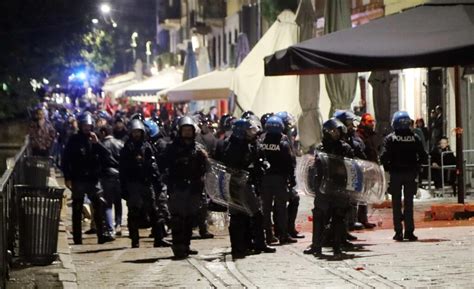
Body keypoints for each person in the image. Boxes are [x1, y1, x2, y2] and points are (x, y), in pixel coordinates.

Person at [215, 119, 276, 259]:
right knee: (239, 216)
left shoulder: (251, 144)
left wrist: (262, 164)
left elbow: (259, 158)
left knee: (254, 214)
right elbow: (234, 165)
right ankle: (239, 247)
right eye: (249, 130)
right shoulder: (232, 146)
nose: (253, 133)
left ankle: (256, 243)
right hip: (236, 185)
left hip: (247, 184)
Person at [304, 118, 354, 259]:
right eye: (333, 131)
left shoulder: (345, 148)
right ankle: (316, 246)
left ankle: (337, 247)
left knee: (338, 218)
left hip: (339, 187)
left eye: (337, 131)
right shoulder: (320, 148)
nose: (336, 134)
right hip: (323, 188)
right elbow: (313, 167)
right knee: (319, 217)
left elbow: (353, 166)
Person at [161, 116, 209, 258]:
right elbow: (164, 165)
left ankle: (186, 245)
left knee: (190, 218)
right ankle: (178, 246)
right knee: (177, 219)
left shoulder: (198, 148)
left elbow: (206, 168)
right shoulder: (172, 148)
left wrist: (205, 158)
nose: (187, 133)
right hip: (178, 187)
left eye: (190, 130)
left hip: (194, 188)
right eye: (185, 130)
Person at [62, 113, 112, 245]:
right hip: (78, 178)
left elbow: (106, 155)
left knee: (98, 207)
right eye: (84, 125)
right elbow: (66, 159)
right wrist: (67, 177)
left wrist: (97, 143)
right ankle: (77, 238)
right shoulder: (74, 139)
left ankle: (102, 235)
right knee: (77, 209)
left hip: (93, 179)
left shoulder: (94, 138)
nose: (86, 128)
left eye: (88, 125)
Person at [119, 119, 168, 248]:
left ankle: (158, 238)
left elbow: (153, 165)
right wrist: (124, 188)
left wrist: (156, 181)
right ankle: (135, 240)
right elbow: (123, 169)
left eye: (138, 132)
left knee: (154, 211)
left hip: (146, 183)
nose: (136, 134)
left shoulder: (147, 146)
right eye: (134, 132)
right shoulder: (127, 148)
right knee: (134, 212)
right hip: (133, 184)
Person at [381, 111, 428, 242]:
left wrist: (388, 168)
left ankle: (398, 232)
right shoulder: (415, 137)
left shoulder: (390, 138)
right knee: (409, 203)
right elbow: (423, 155)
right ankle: (409, 231)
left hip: (395, 174)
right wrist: (417, 167)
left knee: (396, 204)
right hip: (410, 174)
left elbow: (384, 157)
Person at [260, 116, 297, 245]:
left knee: (266, 209)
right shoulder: (283, 142)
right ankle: (282, 235)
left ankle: (268, 236)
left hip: (265, 179)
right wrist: (292, 179)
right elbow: (290, 162)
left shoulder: (261, 140)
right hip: (280, 180)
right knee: (281, 209)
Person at [98, 125, 124, 237]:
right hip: (119, 175)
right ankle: (118, 224)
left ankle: (110, 228)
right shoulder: (120, 143)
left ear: (103, 133)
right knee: (118, 201)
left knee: (108, 203)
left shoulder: (102, 145)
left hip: (107, 175)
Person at [355, 113, 379, 229]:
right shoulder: (360, 136)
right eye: (369, 122)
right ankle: (357, 219)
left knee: (365, 196)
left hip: (370, 169)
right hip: (363, 169)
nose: (372, 124)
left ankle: (363, 219)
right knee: (359, 196)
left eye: (372, 121)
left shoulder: (369, 135)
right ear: (363, 122)